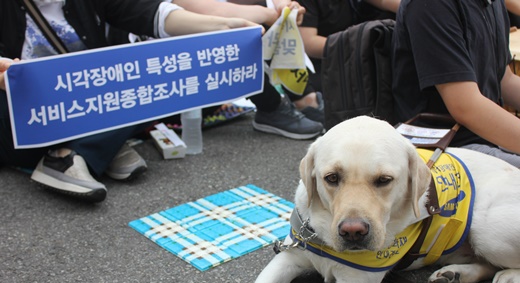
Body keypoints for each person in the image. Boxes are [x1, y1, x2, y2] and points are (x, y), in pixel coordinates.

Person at [0, 0, 259, 203]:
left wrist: (224, 27)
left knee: (152, 79)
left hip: (86, 103)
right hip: (23, 115)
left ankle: (87, 147)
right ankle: (81, 153)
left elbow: (150, 13)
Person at [392, 0, 520, 168]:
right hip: (445, 147)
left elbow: (504, 79)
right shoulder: (431, 5)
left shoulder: (493, 4)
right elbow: (465, 107)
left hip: (480, 137)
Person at [172, 0, 327, 130]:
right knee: (239, 27)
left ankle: (305, 98)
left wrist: (285, 6)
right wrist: (270, 14)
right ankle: (271, 107)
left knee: (262, 17)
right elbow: (202, 8)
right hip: (178, 92)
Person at [296, 0, 399, 93]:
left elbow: (383, 1)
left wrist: (410, 9)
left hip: (357, 51)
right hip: (326, 64)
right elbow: (308, 43)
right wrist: (358, 46)